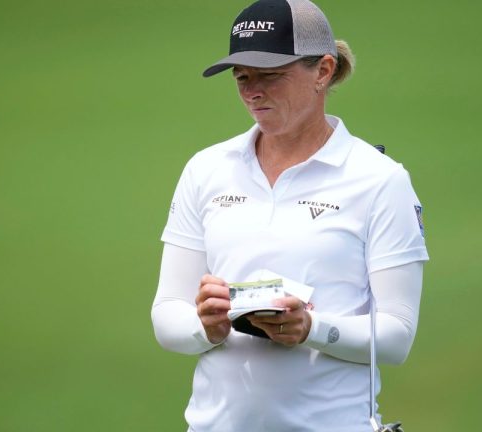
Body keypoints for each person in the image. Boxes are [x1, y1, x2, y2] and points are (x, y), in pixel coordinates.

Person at [151, 0, 429, 430]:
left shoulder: (379, 180)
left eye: (270, 76)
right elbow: (168, 312)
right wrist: (205, 327)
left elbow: (396, 337)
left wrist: (311, 328)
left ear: (322, 71)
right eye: (242, 77)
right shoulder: (206, 169)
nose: (252, 91)